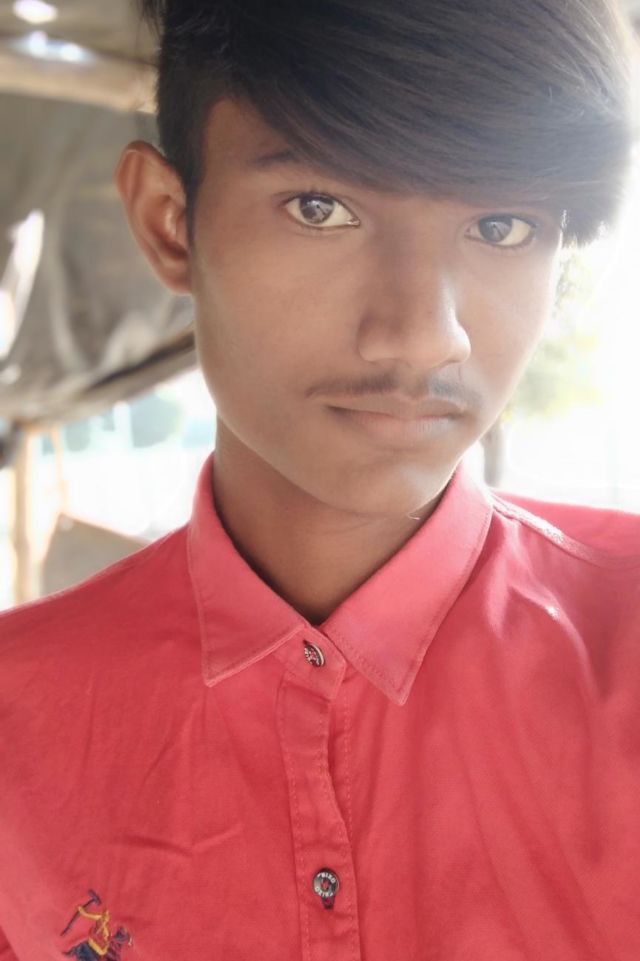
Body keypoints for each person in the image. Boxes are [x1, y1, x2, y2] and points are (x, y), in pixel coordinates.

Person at [1, 0, 638, 958]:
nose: (423, 334)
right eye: (320, 207)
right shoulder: (16, 723)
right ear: (171, 224)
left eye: (503, 224)